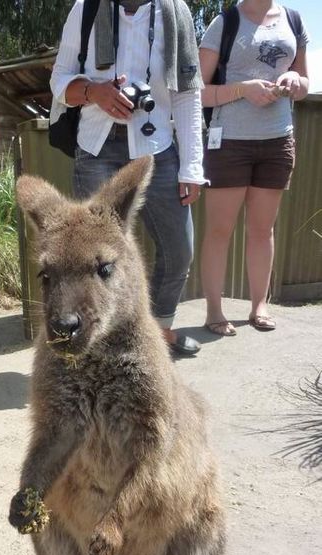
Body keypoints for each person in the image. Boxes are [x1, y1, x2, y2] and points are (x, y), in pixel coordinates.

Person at [50, 0, 206, 356]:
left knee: (179, 248)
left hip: (157, 148)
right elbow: (59, 81)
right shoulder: (85, 9)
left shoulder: (174, 13)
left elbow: (186, 93)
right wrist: (95, 92)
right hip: (97, 147)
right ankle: (98, 341)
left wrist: (192, 167)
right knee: (91, 256)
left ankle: (159, 330)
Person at [199, 0, 309, 336]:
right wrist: (241, 90)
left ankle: (259, 306)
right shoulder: (225, 21)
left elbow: (304, 86)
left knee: (263, 230)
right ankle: (214, 311)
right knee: (220, 231)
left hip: (277, 141)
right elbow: (199, 92)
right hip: (229, 141)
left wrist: (293, 78)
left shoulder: (293, 19)